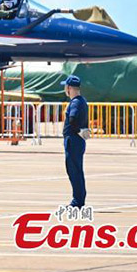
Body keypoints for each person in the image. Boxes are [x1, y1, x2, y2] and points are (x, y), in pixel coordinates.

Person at [62, 75, 89, 207]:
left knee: (74, 170)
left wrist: (77, 130)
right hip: (77, 140)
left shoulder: (76, 102)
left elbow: (72, 119)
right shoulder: (82, 100)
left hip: (73, 140)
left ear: (69, 88)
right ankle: (79, 198)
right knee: (76, 169)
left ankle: (77, 200)